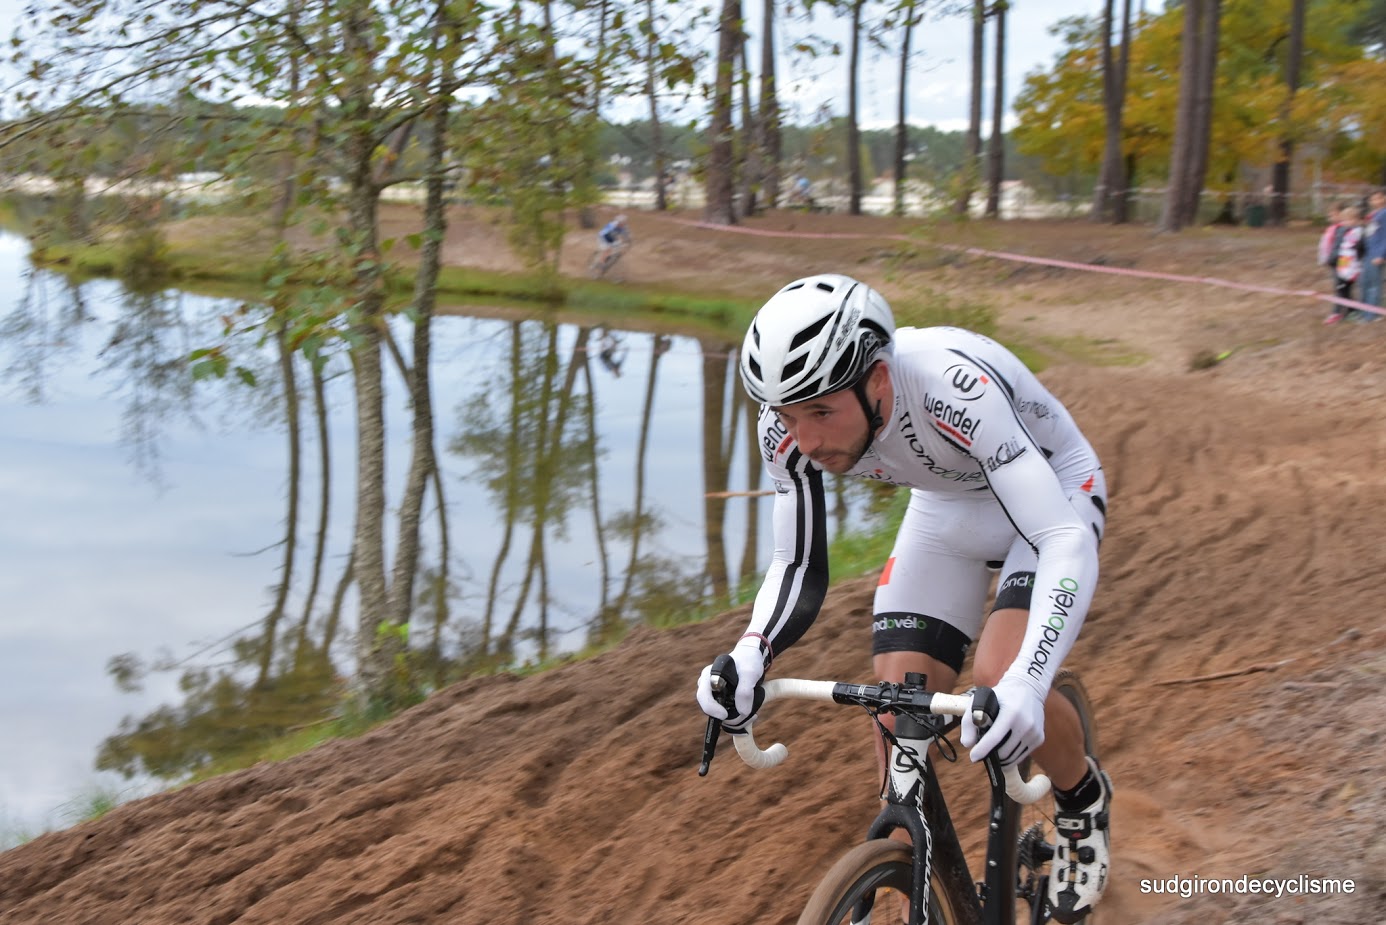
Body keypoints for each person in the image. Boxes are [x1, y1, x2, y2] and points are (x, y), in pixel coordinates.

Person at [695, 274, 1112, 924]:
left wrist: (1028, 682)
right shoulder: (788, 422)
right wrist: (752, 651)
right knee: (895, 706)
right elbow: (796, 561)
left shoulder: (951, 388)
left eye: (821, 412)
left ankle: (1083, 798)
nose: (802, 439)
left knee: (1001, 673)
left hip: (1050, 496)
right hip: (946, 508)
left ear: (880, 380)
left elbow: (1059, 536)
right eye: (787, 415)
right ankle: (902, 861)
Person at [1324, 202, 1366, 325]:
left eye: (1347, 220)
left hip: (1352, 264)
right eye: (1344, 220)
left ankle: (1342, 312)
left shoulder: (1358, 232)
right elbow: (1338, 246)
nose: (1344, 223)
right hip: (1342, 262)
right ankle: (1349, 310)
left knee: (1343, 288)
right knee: (1342, 288)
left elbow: (1358, 248)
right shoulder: (1343, 230)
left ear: (1355, 220)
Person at [1362, 190, 1386, 322]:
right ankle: (1365, 311)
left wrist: (1381, 254)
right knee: (1366, 283)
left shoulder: (1384, 214)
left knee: (1374, 285)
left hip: (1377, 254)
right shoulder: (1373, 215)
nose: (1375, 201)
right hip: (1368, 253)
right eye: (1373, 199)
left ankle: (1373, 314)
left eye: (1378, 198)